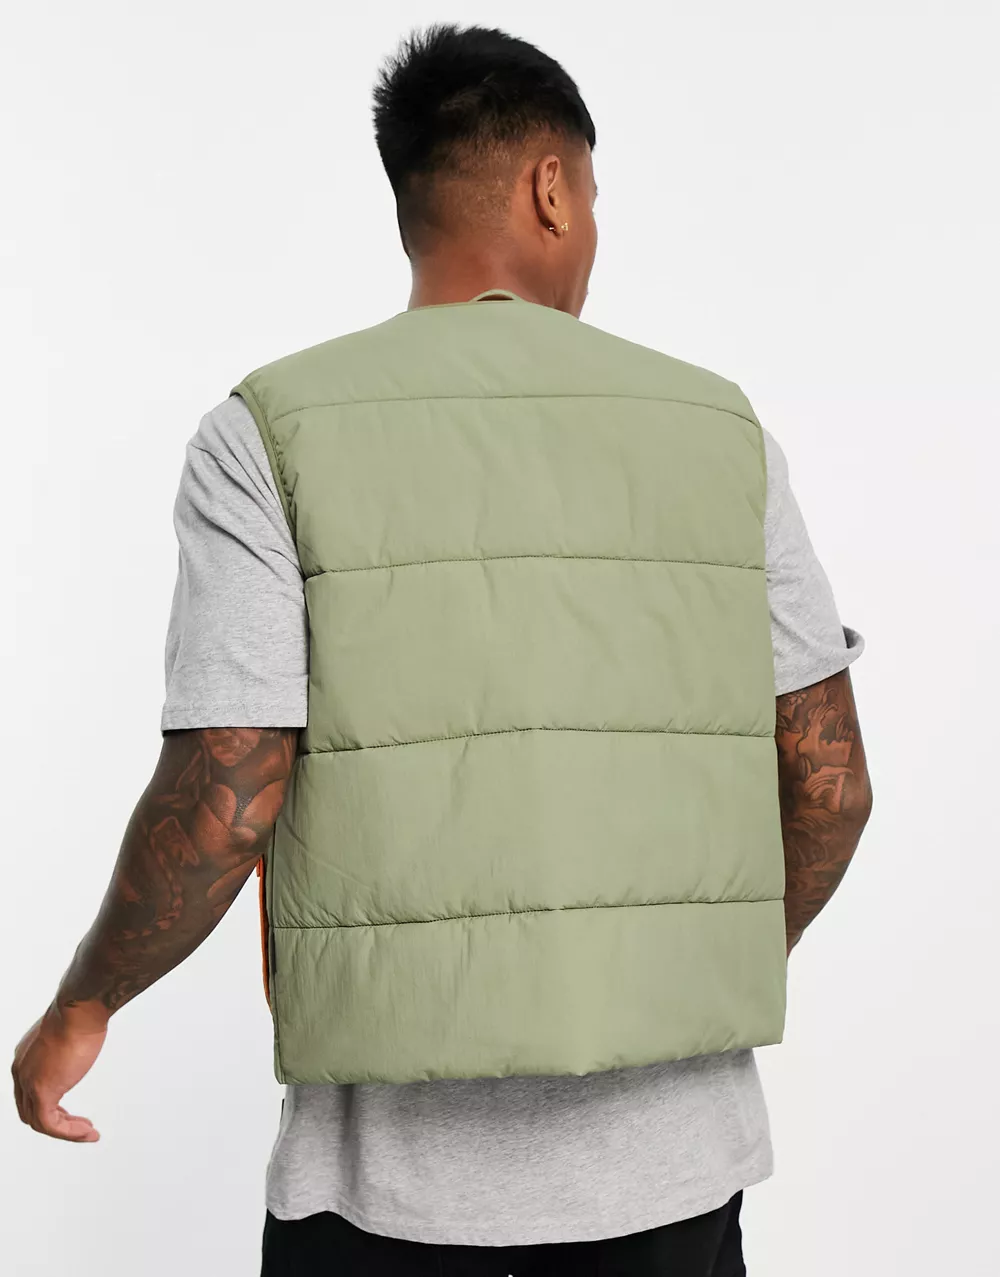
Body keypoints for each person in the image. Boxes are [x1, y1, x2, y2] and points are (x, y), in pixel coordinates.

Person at [12, 23, 872, 1277]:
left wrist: (85, 1000)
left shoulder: (269, 432)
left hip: (387, 1201)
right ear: (550, 187)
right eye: (593, 197)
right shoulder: (719, 430)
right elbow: (831, 784)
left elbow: (230, 783)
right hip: (674, 1180)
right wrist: (688, 954)